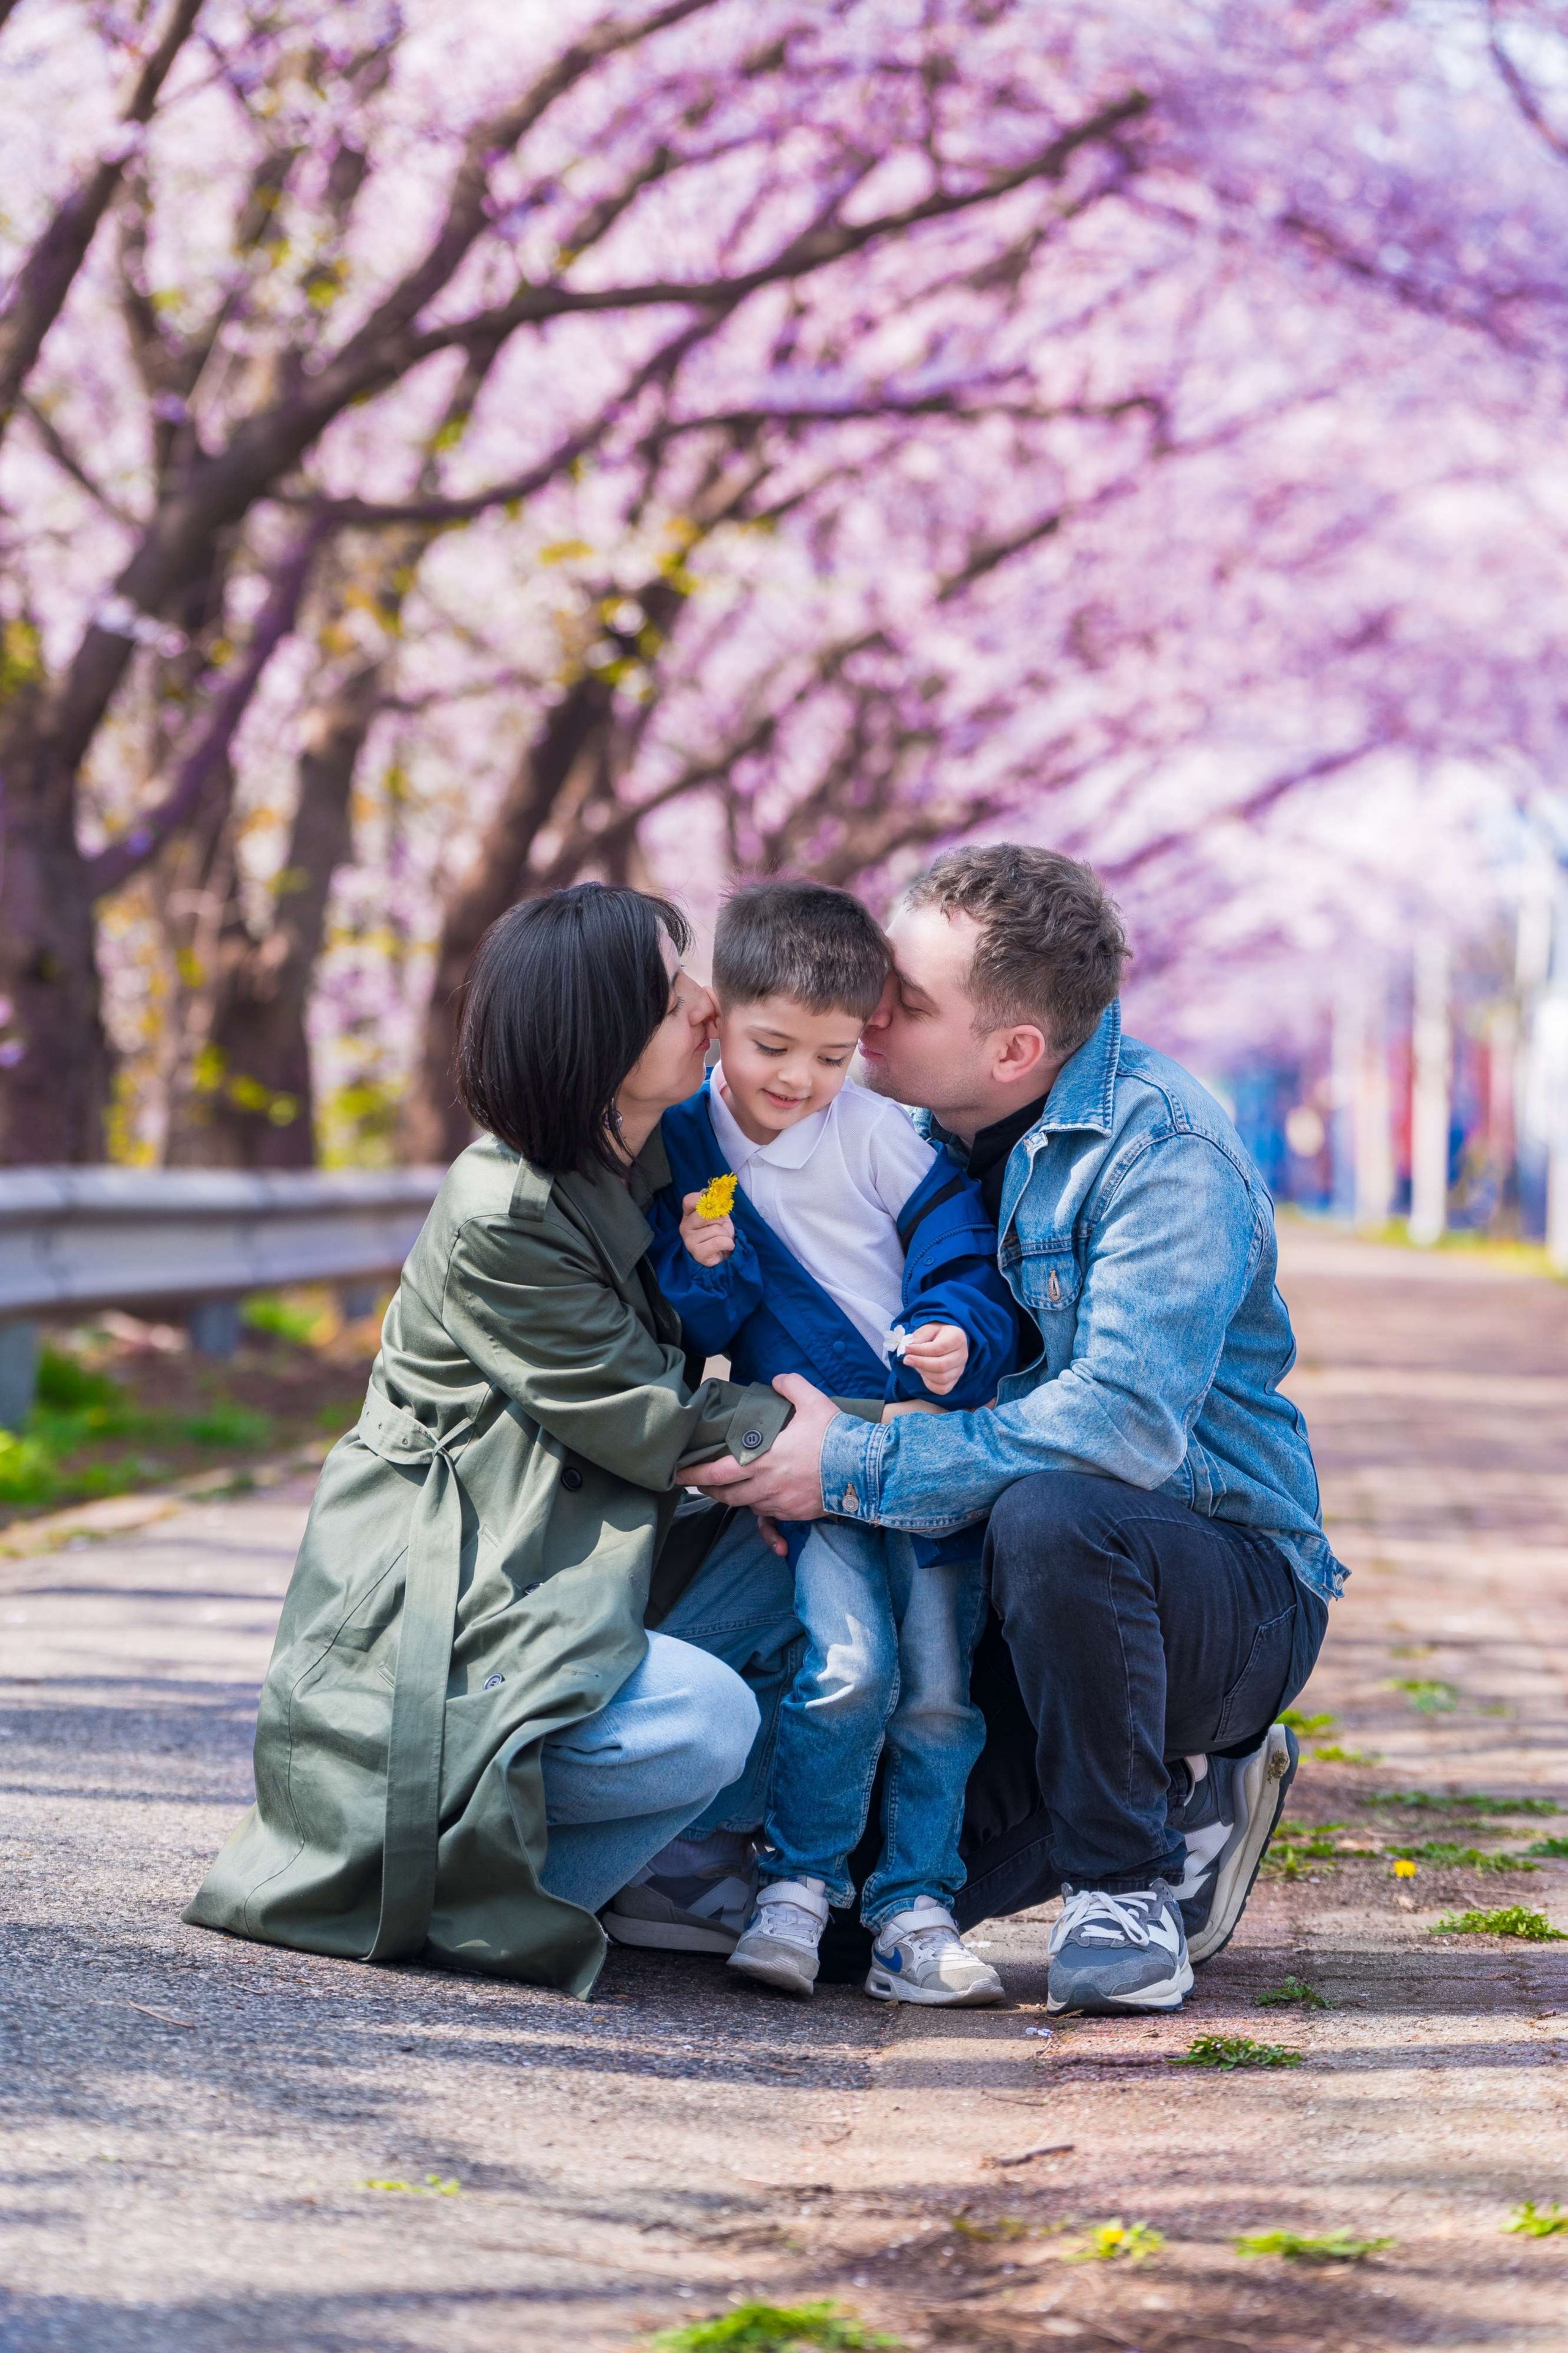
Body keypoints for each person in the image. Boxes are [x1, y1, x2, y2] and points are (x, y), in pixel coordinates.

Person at [685, 845, 1343, 2017]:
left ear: (1014, 1051)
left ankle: (1133, 1870)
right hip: (996, 1571)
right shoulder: (906, 1135)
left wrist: (842, 1464)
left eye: (909, 1001)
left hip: (1213, 1586)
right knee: (846, 1923)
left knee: (1062, 1509)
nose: (869, 1014)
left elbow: (1122, 1429)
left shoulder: (1162, 1155)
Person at [184, 883, 802, 1997]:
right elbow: (650, 1420)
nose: (711, 1005)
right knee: (708, 1716)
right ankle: (473, 1884)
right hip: (463, 1589)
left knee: (805, 1564)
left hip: (563, 1549)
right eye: (675, 997)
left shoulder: (646, 1153)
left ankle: (642, 1871)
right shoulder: (505, 1210)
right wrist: (836, 1434)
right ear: (600, 1038)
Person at [641, 882, 1017, 2006]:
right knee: (845, 1669)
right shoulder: (682, 1140)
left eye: (834, 1053)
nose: (798, 1079)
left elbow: (961, 1247)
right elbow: (696, 1332)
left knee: (942, 1692)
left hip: (921, 1447)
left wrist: (962, 1332)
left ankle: (916, 1904)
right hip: (814, 1463)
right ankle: (796, 1886)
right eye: (771, 1047)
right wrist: (705, 1265)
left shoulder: (878, 1137)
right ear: (721, 1018)